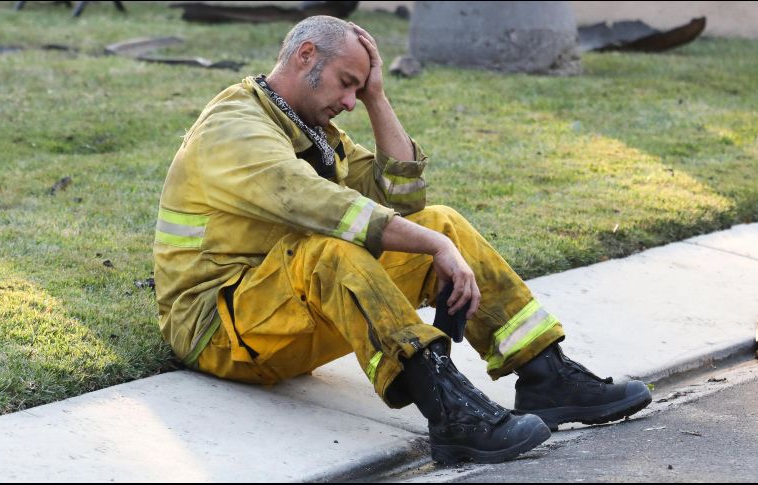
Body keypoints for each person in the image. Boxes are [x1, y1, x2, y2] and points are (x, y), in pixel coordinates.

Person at [153, 15, 652, 464]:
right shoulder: (235, 128)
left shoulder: (308, 126)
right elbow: (329, 209)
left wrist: (377, 98)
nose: (348, 101)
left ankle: (546, 376)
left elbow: (403, 197)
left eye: (357, 90)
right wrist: (434, 250)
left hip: (280, 315)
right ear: (306, 55)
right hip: (217, 332)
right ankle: (451, 415)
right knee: (335, 250)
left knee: (440, 223)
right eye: (347, 84)